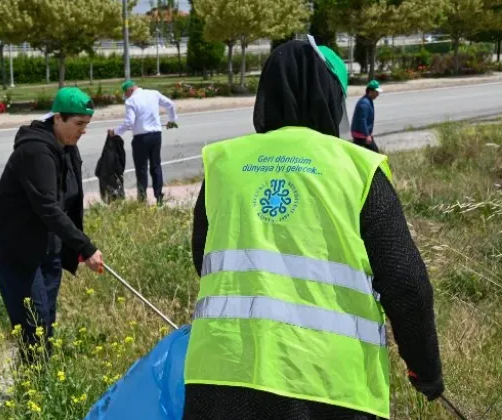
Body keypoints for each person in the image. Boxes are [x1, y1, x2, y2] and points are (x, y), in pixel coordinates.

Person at [183, 40, 444, 420]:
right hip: (328, 387)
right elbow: (406, 282)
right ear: (332, 97)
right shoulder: (357, 170)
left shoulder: (223, 164)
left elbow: (204, 258)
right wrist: (425, 369)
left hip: (222, 379)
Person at [0, 87, 105, 362]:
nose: (83, 131)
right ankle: (33, 392)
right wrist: (85, 245)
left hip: (47, 246)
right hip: (14, 246)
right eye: (78, 124)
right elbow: (47, 206)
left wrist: (77, 247)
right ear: (58, 118)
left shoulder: (68, 149)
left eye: (87, 125)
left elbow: (69, 203)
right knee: (33, 322)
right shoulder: (36, 151)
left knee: (47, 317)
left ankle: (42, 382)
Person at [108, 80, 178, 205]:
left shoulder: (131, 101)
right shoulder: (154, 93)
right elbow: (170, 105)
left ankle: (142, 199)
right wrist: (172, 120)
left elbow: (129, 122)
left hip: (140, 139)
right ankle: (159, 197)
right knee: (156, 166)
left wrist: (115, 132)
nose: (126, 96)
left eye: (126, 93)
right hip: (156, 135)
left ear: (129, 90)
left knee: (141, 169)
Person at [350, 79, 383, 153]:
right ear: (370, 91)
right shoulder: (364, 103)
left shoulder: (368, 100)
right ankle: (379, 165)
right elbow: (362, 120)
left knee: (357, 153)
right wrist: (367, 135)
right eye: (376, 92)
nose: (378, 94)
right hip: (361, 134)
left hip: (361, 133)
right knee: (375, 153)